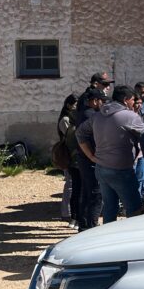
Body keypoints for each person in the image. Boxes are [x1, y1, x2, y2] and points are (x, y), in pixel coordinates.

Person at [77, 85, 144, 224]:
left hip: (101, 167)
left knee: (110, 207)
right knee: (134, 208)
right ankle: (135, 235)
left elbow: (80, 133)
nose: (134, 103)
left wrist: (91, 156)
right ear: (126, 100)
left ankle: (109, 235)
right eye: (133, 100)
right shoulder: (129, 116)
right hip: (121, 169)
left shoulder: (98, 115)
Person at [72, 88, 107, 229]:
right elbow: (90, 138)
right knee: (95, 194)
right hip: (90, 159)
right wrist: (93, 156)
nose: (104, 104)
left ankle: (84, 225)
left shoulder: (84, 113)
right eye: (102, 101)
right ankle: (91, 227)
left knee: (87, 193)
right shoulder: (91, 116)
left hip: (85, 158)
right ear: (95, 101)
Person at [56, 95, 79, 225]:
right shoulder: (65, 120)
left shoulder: (73, 118)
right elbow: (70, 137)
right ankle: (66, 212)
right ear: (69, 105)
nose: (76, 107)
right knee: (70, 184)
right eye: (75, 104)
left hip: (73, 154)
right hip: (69, 154)